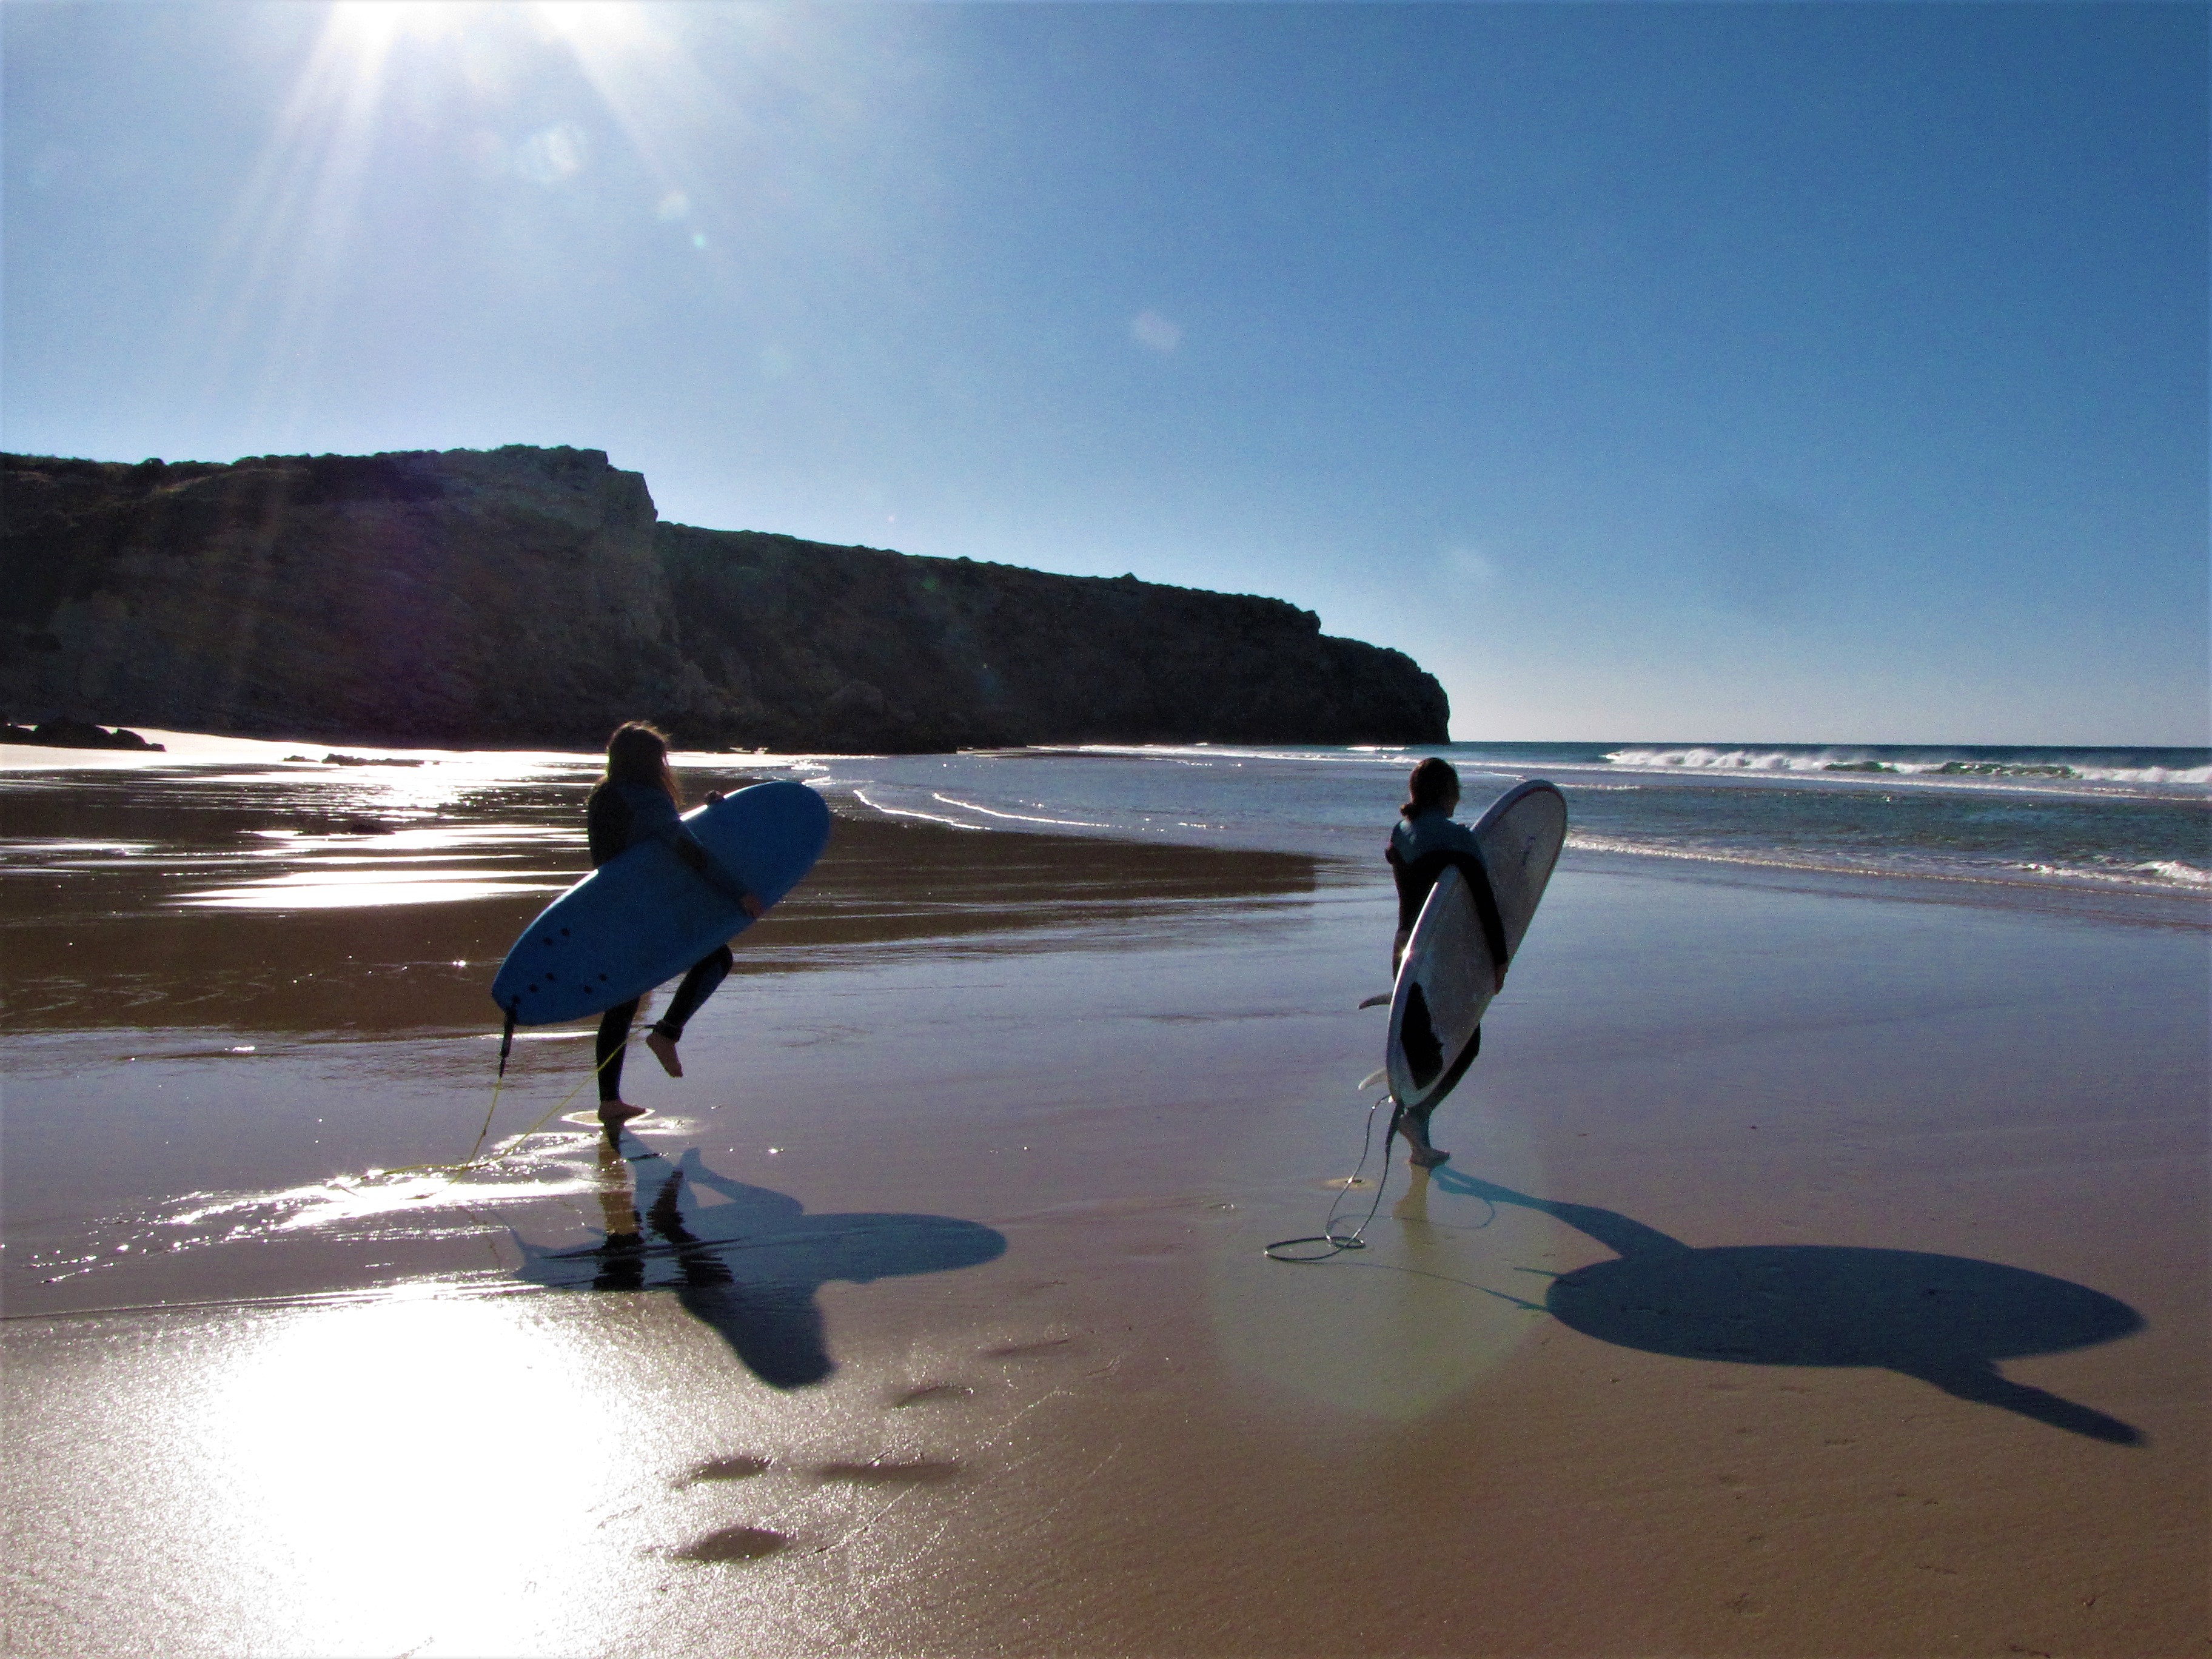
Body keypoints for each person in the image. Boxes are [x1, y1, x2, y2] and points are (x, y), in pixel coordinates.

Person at [587, 722, 763, 1132]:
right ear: (649, 762)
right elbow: (687, 849)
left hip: (610, 907)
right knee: (717, 958)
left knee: (624, 1000)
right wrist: (739, 893)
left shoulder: (605, 795)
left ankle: (609, 1101)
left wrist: (712, 814)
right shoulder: (647, 797)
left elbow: (654, 834)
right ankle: (666, 1033)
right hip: (646, 910)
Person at [1384, 756, 1508, 1168]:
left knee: (1423, 1050)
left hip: (1404, 953)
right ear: (1444, 791)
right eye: (1456, 788)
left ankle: (1420, 1142)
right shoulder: (1458, 841)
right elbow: (1486, 904)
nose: (1460, 796)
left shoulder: (1402, 833)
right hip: (1441, 959)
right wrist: (1499, 961)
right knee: (1463, 1044)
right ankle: (1417, 1119)